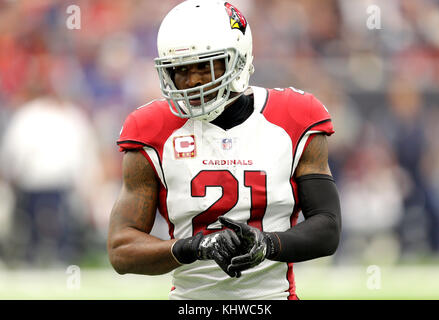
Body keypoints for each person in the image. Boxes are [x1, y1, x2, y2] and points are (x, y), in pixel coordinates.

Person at [107, 0, 341, 300]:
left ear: (238, 59)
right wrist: (193, 247)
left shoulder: (293, 118)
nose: (192, 80)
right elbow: (121, 249)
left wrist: (267, 244)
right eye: (180, 69)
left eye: (205, 65)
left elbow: (328, 227)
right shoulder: (151, 129)